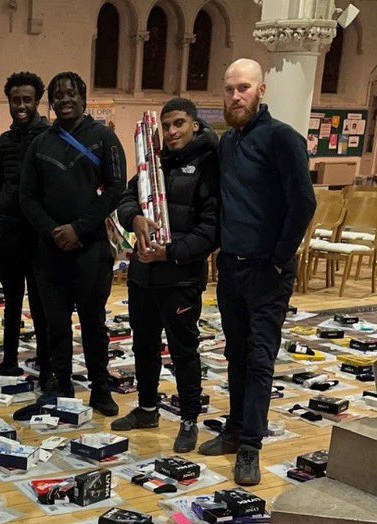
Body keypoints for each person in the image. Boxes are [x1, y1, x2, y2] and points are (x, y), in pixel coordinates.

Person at [201, 58, 316, 485]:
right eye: (229, 89)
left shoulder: (283, 138)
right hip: (231, 267)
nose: (236, 96)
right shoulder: (228, 143)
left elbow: (303, 203)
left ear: (261, 91)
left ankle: (250, 445)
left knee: (259, 358)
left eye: (244, 88)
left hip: (268, 271)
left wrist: (280, 257)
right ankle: (233, 431)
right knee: (234, 353)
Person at [112, 98, 218, 452]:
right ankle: (147, 409)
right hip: (143, 276)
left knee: (183, 350)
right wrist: (135, 219)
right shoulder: (152, 163)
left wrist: (170, 252)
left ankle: (189, 419)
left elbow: (210, 230)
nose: (172, 132)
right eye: (167, 125)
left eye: (179, 124)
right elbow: (127, 198)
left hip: (181, 279)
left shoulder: (209, 165)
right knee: (143, 345)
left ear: (195, 126)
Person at [19, 71, 127, 417]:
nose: (65, 100)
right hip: (50, 252)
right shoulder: (40, 144)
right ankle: (61, 385)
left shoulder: (103, 138)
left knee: (94, 323)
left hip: (91, 249)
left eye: (71, 94)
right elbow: (27, 197)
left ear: (83, 97)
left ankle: (99, 388)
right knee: (55, 324)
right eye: (58, 95)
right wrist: (53, 231)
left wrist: (79, 229)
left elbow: (115, 189)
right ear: (51, 103)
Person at [0, 71, 51, 388]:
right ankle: (10, 359)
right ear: (9, 102)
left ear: (37, 101)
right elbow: (1, 181)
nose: (21, 106)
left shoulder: (50, 137)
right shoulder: (4, 141)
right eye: (16, 100)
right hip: (11, 232)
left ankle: (46, 361)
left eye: (27, 100)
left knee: (41, 303)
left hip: (39, 236)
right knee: (12, 301)